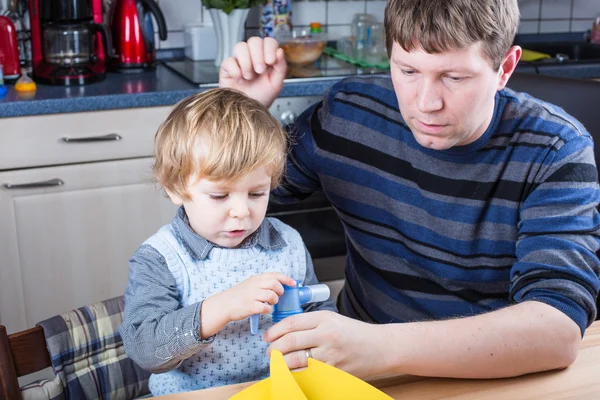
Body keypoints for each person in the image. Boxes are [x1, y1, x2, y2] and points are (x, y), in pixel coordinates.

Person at [219, 0, 600, 381]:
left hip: (491, 377)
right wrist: (241, 115)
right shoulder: (348, 113)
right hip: (358, 372)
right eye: (408, 70)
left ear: (505, 68)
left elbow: (557, 330)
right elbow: (227, 213)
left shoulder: (555, 148)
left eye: (454, 77)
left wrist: (378, 347)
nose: (425, 103)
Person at [119, 88, 336, 396]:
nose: (241, 212)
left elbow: (322, 316)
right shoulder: (160, 258)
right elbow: (145, 347)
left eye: (257, 193)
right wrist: (222, 307)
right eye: (220, 195)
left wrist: (315, 344)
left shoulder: (287, 243)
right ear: (175, 188)